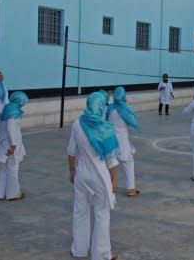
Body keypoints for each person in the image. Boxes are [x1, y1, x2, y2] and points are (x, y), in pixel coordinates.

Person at [67, 92, 120, 260]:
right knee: (102, 213)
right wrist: (113, 180)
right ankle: (102, 254)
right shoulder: (105, 128)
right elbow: (111, 159)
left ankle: (79, 250)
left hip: (81, 174)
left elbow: (70, 151)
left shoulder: (77, 123)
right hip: (100, 175)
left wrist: (72, 170)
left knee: (80, 211)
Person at [0, 91, 28, 201]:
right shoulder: (13, 113)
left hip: (4, 144)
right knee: (13, 169)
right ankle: (13, 194)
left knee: (5, 169)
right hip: (11, 146)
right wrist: (13, 145)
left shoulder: (7, 109)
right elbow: (10, 128)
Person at [106, 86, 140, 197]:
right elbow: (132, 123)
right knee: (128, 162)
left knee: (111, 163)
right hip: (122, 140)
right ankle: (130, 189)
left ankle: (112, 185)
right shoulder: (126, 109)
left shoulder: (109, 109)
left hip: (111, 139)